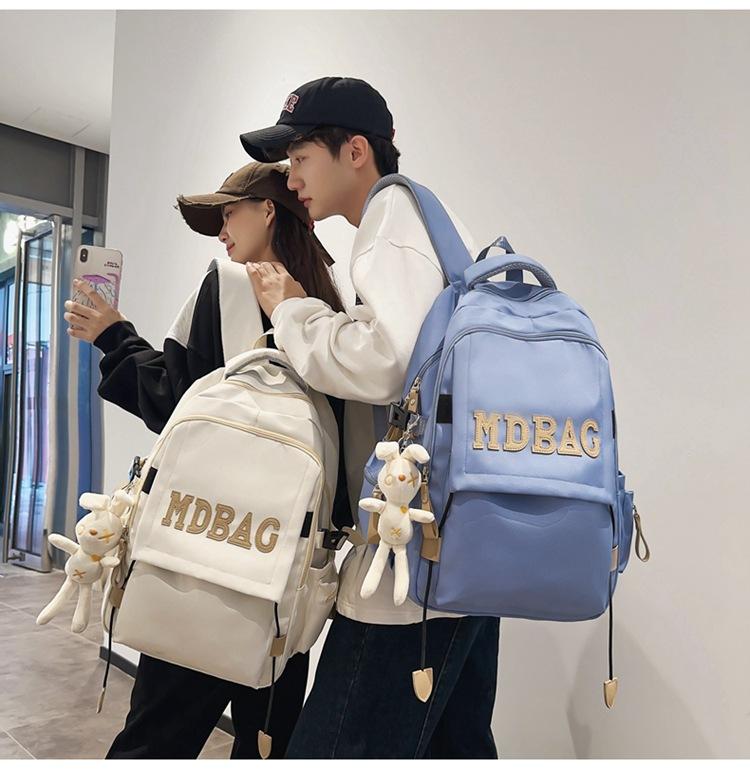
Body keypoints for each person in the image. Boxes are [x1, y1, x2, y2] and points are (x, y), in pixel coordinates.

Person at [239, 76, 501, 758]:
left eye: (301, 157)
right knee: (457, 745)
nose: (291, 176)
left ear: (355, 151)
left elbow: (387, 361)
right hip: (464, 542)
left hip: (411, 556)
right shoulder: (434, 223)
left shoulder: (391, 218)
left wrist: (292, 311)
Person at [63, 161, 349, 759]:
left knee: (158, 734)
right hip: (283, 569)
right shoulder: (327, 303)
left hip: (202, 551)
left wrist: (115, 336)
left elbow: (175, 400)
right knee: (266, 740)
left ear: (267, 211)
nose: (221, 231)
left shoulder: (226, 284)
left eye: (229, 213)